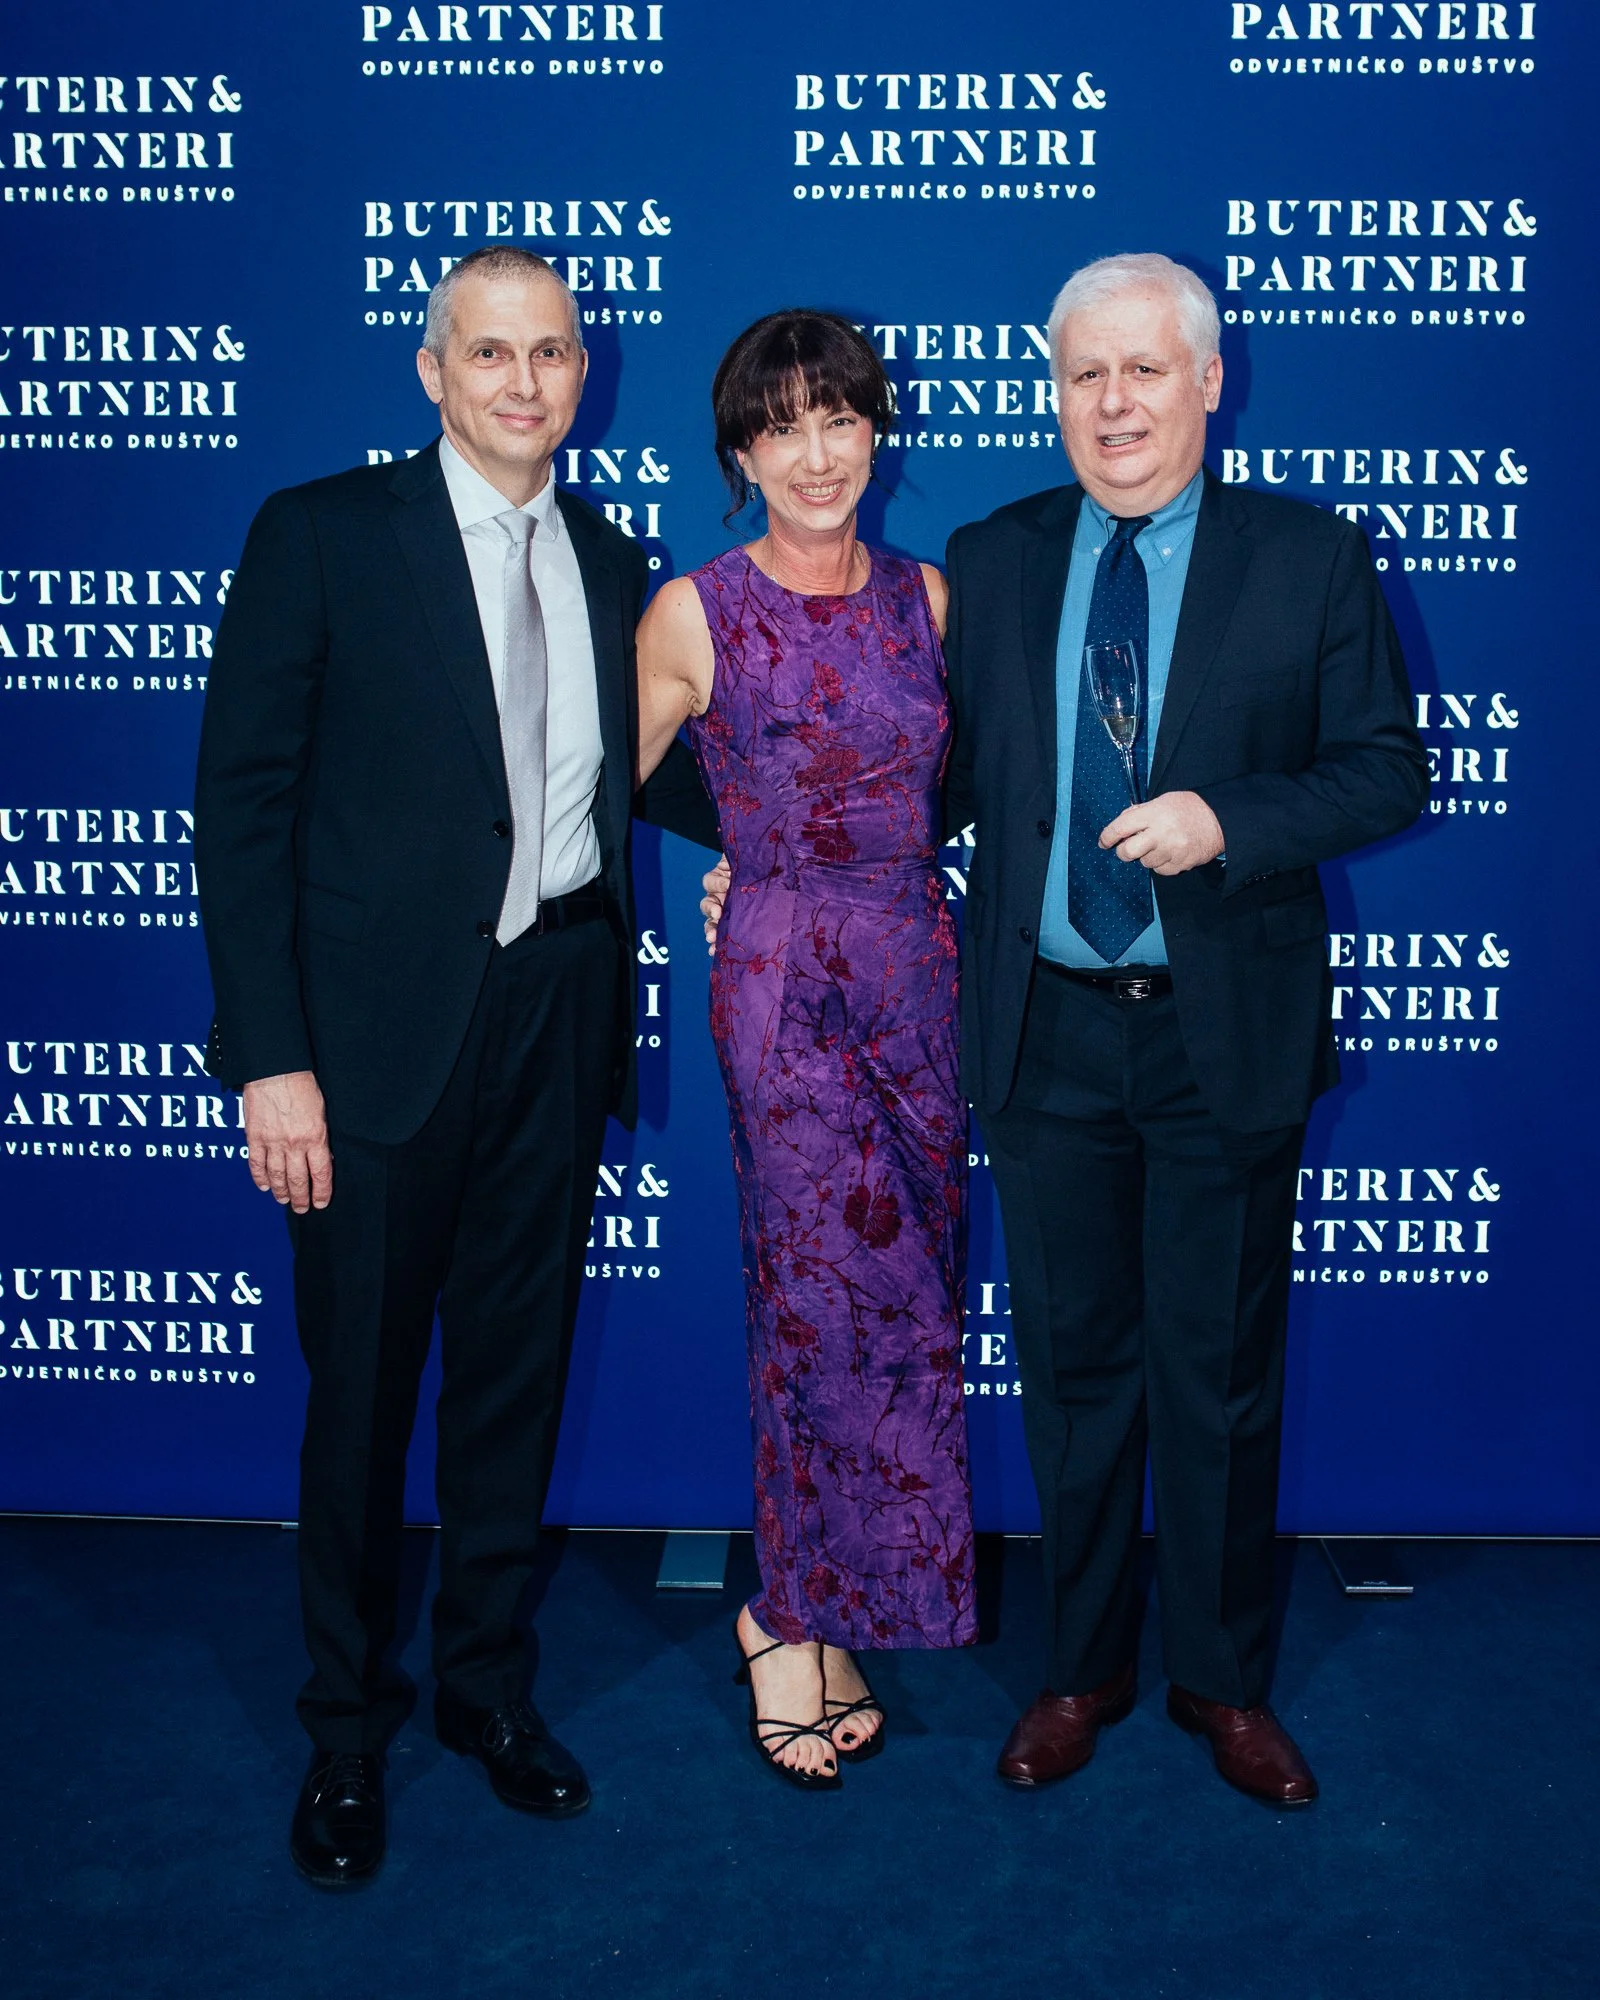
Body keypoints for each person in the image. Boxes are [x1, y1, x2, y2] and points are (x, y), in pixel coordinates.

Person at [194, 245, 719, 1887]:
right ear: (432, 371)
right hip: (367, 1052)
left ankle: (486, 1692)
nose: (520, 381)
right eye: (486, 352)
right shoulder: (321, 535)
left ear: (585, 371)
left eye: (549, 351)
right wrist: (271, 1063)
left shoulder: (621, 563)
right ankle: (346, 1731)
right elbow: (244, 813)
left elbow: (672, 780)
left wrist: (824, 833)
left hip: (557, 1013)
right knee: (355, 1401)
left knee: (514, 1378)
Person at [941, 253, 1428, 1804]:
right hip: (1047, 1034)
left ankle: (1222, 1683)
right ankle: (1081, 1668)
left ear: (1210, 383)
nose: (1117, 404)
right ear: (1056, 391)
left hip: (1222, 1029)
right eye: (1087, 375)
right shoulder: (995, 556)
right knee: (1075, 1373)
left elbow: (1385, 773)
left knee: (1217, 1372)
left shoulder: (1311, 555)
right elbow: (930, 780)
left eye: (1147, 371)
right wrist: (776, 846)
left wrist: (1230, 818)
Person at [638, 310, 977, 1789]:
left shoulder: (933, 598)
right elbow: (598, 787)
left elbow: (956, 782)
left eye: (839, 418)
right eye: (783, 427)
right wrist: (754, 858)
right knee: (812, 1304)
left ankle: (835, 1605)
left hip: (916, 973)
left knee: (906, 1310)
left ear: (875, 430)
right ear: (741, 453)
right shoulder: (693, 613)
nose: (818, 451)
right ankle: (782, 1615)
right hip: (785, 989)